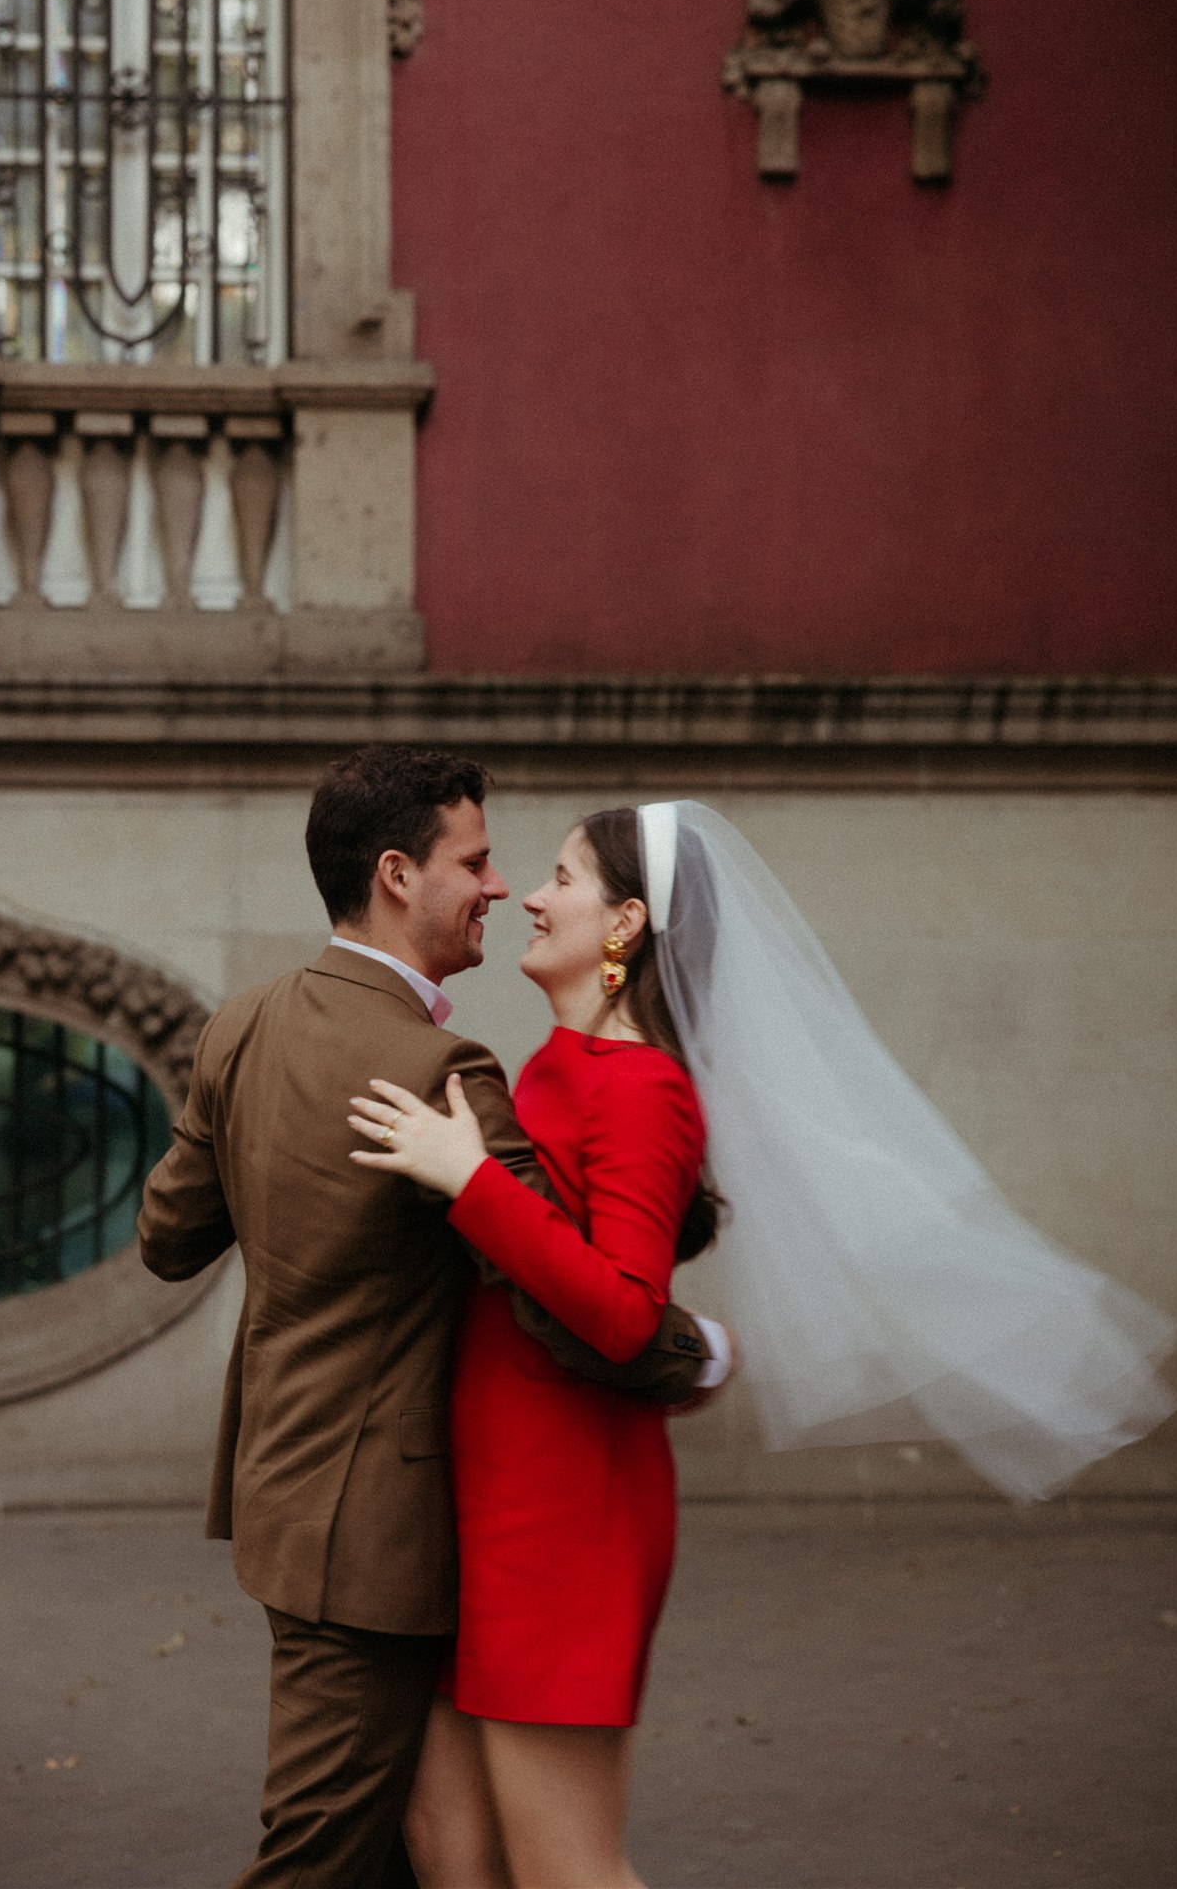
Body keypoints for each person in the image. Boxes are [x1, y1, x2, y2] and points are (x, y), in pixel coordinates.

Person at [352, 798, 1177, 1889]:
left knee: (567, 1869)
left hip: (568, 1515)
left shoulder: (644, 1087)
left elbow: (621, 1310)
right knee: (448, 1841)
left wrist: (469, 1180)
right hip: (492, 1495)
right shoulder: (553, 1065)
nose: (532, 897)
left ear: (626, 923)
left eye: (560, 876)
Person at [137, 752, 733, 1889]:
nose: (506, 887)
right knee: (330, 1850)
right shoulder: (447, 1068)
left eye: (536, 868)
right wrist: (697, 1354)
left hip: (328, 1500)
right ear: (400, 875)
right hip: (393, 1523)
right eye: (481, 861)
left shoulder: (244, 1025)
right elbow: (583, 1317)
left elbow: (167, 1241)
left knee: (435, 1849)